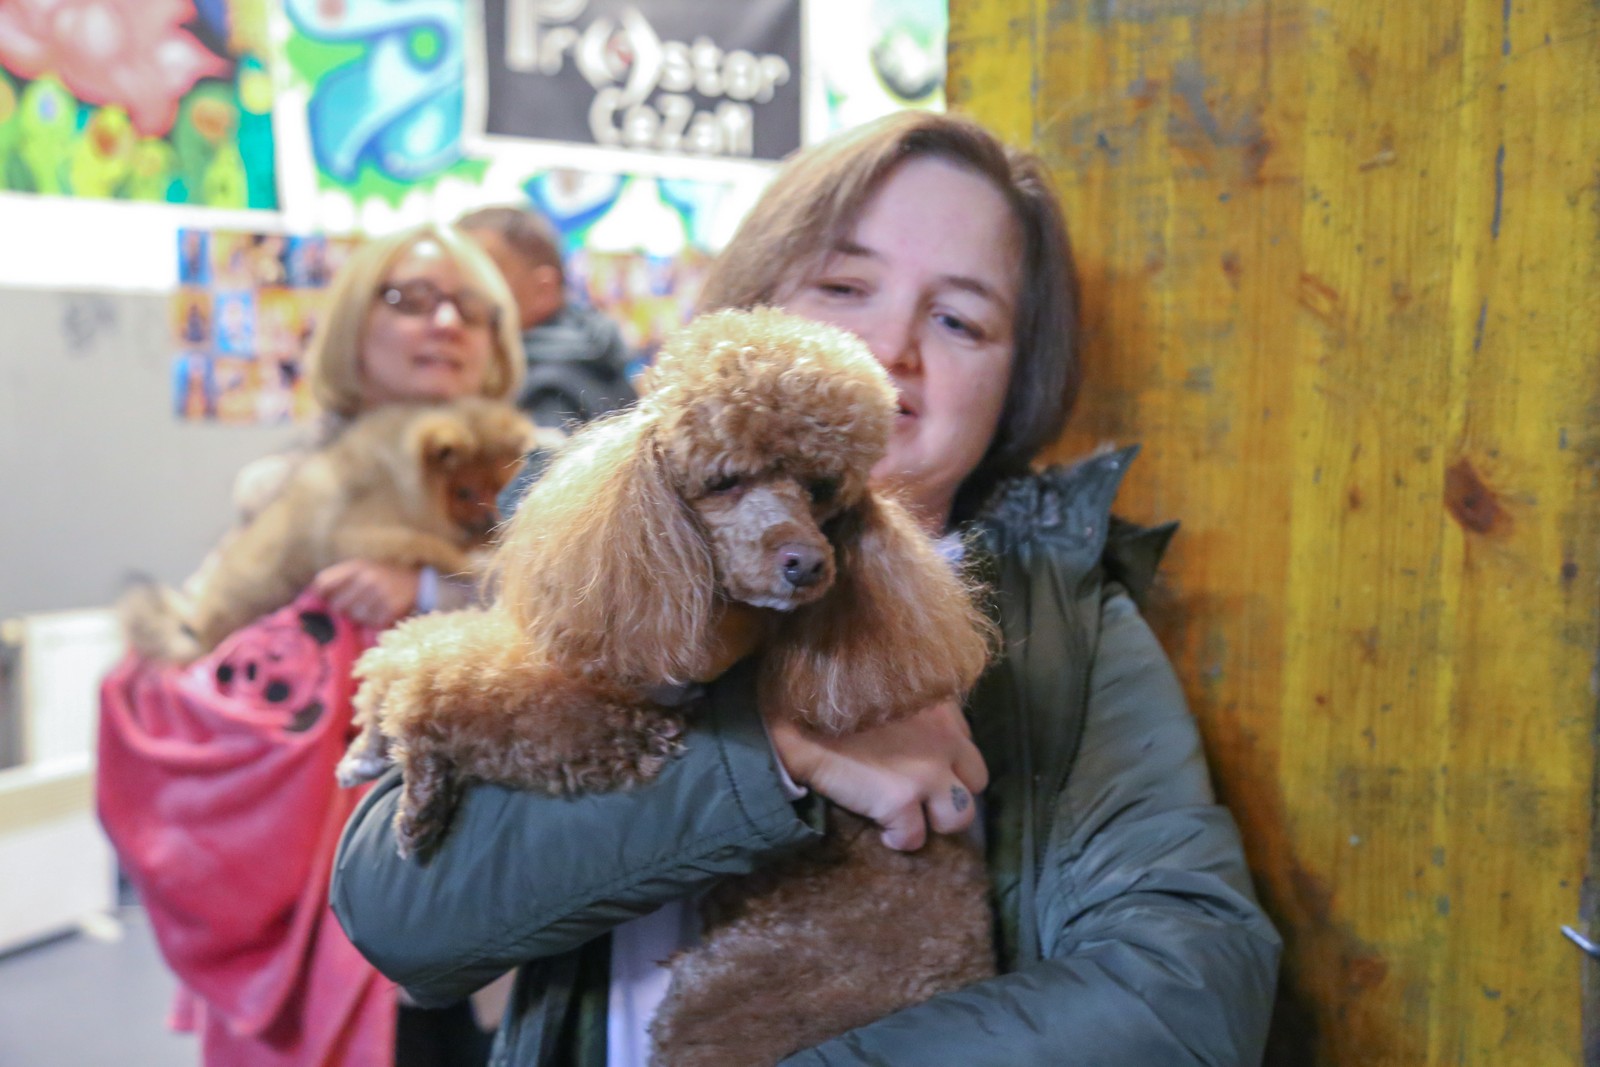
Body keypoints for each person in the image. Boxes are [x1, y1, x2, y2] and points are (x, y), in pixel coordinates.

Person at [330, 112, 1281, 1064]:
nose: (889, 346)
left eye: (959, 319)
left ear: (1014, 382)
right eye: (843, 284)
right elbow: (399, 915)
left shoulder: (1063, 625)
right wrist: (769, 748)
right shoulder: (612, 563)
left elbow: (1186, 986)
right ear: (753, 302)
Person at [99, 221, 526, 1067]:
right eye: (409, 299)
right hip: (306, 850)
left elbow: (586, 621)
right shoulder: (284, 485)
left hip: (481, 860)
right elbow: (208, 634)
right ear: (355, 329)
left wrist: (433, 589)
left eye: (470, 310)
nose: (444, 322)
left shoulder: (544, 475)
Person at [456, 204, 636, 430]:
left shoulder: (546, 392)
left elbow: (536, 464)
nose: (458, 296)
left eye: (481, 276)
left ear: (543, 290)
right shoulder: (591, 358)